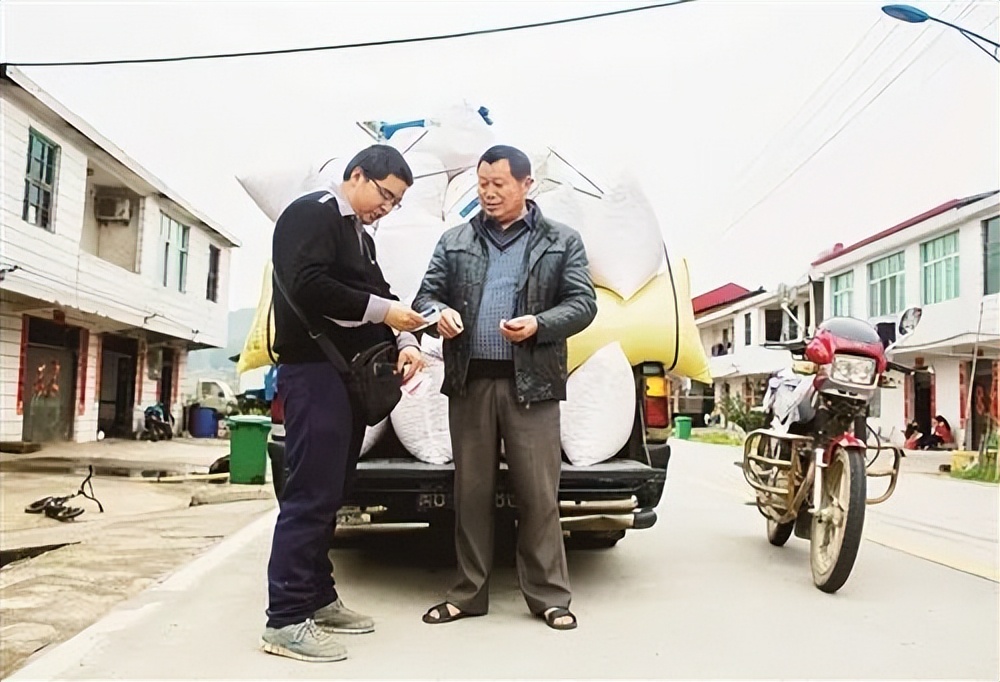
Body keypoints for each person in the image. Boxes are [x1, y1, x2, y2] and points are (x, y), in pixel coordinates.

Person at [413, 145, 598, 631]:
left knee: (538, 494)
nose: (489, 193)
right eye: (482, 184)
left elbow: (583, 304)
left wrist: (539, 323)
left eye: (499, 184)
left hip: (532, 386)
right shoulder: (454, 241)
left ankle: (549, 596)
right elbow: (425, 298)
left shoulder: (562, 240)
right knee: (470, 492)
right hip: (470, 382)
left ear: (525, 186)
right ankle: (468, 593)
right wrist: (439, 316)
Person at [263, 145, 428, 662]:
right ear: (356, 175)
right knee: (310, 494)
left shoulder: (360, 237)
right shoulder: (311, 214)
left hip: (342, 380)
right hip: (313, 374)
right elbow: (308, 284)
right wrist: (385, 311)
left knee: (333, 493)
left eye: (396, 202)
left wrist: (407, 340)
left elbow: (382, 294)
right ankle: (285, 617)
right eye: (384, 195)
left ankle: (317, 597)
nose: (386, 208)